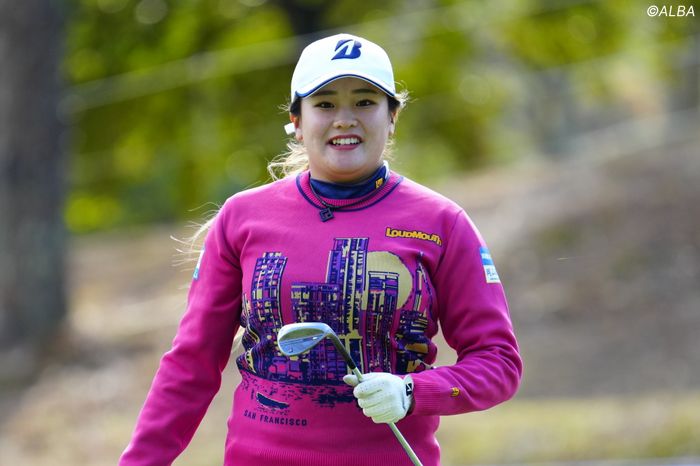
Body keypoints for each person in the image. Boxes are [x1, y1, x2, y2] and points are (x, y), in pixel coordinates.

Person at [119, 33, 522, 466]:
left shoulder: (443, 223)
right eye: (325, 104)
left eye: (365, 102)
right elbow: (191, 365)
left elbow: (498, 363)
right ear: (296, 121)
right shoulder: (241, 217)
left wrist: (412, 392)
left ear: (392, 117)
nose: (345, 120)